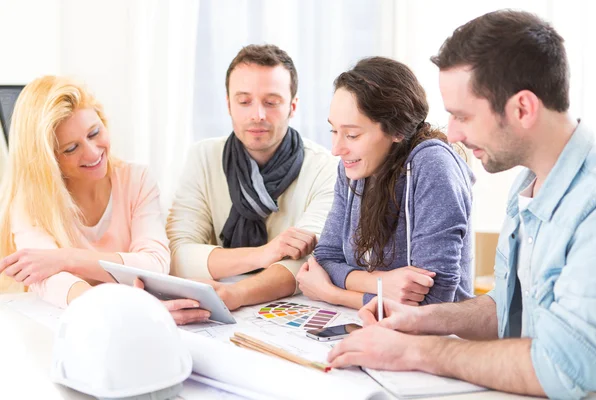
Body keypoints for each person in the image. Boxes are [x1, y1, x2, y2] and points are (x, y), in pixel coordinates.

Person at [327, 10, 596, 399]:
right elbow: (503, 310)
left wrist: (418, 350)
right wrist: (420, 320)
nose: (451, 132)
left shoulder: (593, 206)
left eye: (462, 116)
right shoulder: (529, 183)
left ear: (522, 108)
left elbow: (562, 366)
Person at [0, 76, 208, 325]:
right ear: (49, 160)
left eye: (94, 133)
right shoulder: (31, 201)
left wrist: (66, 258)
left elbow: (155, 263)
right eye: (70, 148)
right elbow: (47, 279)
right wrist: (122, 309)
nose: (92, 152)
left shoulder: (136, 179)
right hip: (77, 325)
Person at [166, 44, 338, 310]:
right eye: (244, 101)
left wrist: (236, 294)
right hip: (213, 304)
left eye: (271, 102)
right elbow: (179, 254)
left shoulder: (325, 167)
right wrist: (264, 254)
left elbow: (309, 262)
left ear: (293, 106)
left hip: (287, 309)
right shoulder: (203, 157)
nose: (257, 115)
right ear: (228, 105)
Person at [296, 57, 474, 309]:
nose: (336, 149)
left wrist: (332, 293)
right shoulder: (352, 167)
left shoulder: (434, 166)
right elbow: (325, 259)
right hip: (372, 324)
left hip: (441, 336)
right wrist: (382, 282)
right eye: (333, 131)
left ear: (397, 131)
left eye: (352, 134)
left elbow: (434, 302)